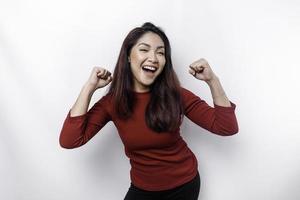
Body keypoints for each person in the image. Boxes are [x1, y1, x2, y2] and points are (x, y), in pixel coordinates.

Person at [59, 22, 239, 200]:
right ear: (128, 55)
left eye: (160, 52)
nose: (153, 57)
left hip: (184, 184)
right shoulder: (112, 102)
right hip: (142, 189)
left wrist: (212, 80)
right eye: (144, 49)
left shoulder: (177, 95)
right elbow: (70, 140)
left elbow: (226, 127)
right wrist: (89, 88)